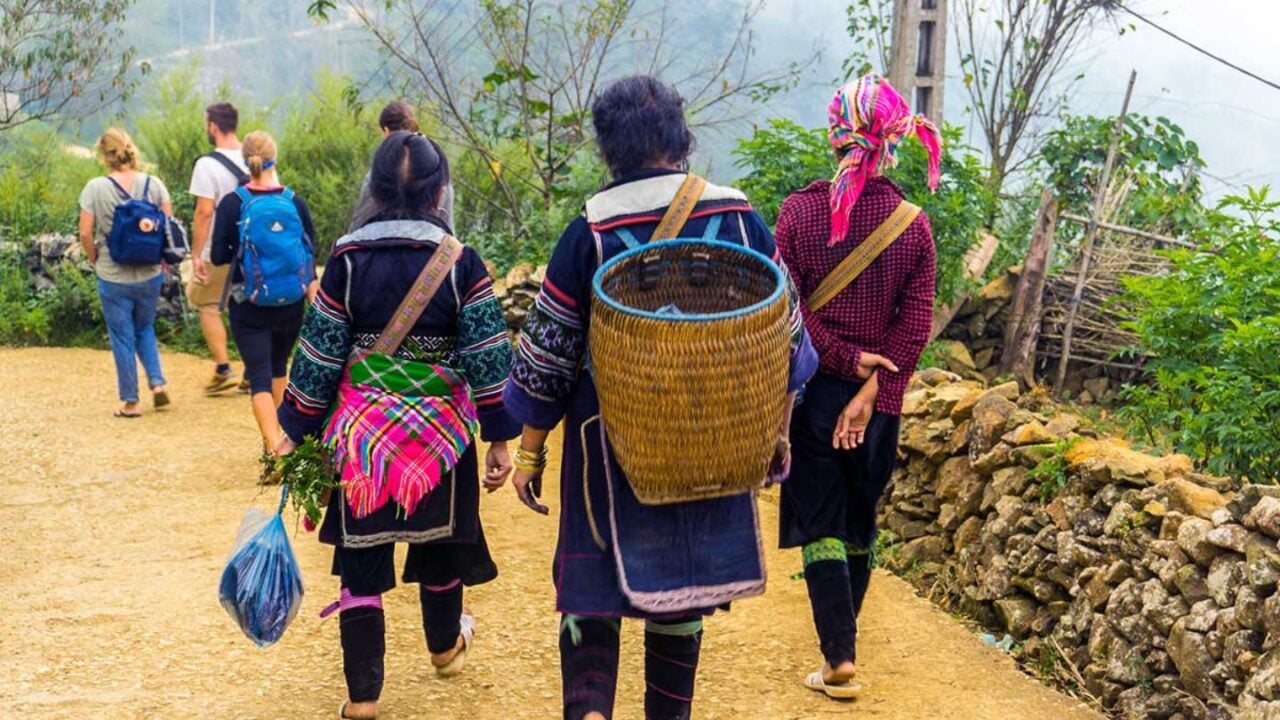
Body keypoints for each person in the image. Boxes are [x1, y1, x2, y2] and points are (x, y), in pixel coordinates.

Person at [503, 75, 817, 720]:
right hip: (715, 437)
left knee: (592, 595)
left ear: (608, 147)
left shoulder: (589, 231)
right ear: (681, 137)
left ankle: (591, 712)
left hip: (609, 443)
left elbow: (548, 362)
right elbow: (787, 345)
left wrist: (530, 453)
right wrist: (775, 434)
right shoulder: (739, 219)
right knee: (682, 590)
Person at [276, 131, 518, 720]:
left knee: (361, 563)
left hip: (361, 439)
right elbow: (487, 357)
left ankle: (363, 699)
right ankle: (444, 648)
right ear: (439, 192)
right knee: (440, 547)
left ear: (376, 189)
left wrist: (294, 429)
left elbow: (319, 357)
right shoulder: (459, 262)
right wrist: (499, 438)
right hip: (441, 439)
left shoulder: (347, 259)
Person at [774, 74, 940, 699]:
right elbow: (915, 323)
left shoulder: (799, 212)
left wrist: (843, 360)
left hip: (814, 392)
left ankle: (839, 658)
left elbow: (788, 308)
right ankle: (843, 649)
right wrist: (873, 392)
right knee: (858, 520)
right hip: (880, 403)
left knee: (821, 522)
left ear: (834, 134)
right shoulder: (914, 226)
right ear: (892, 140)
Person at [209, 131, 316, 451]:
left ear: (246, 161)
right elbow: (309, 250)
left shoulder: (233, 203)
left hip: (249, 303)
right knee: (279, 369)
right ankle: (287, 444)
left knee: (259, 378)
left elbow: (218, 256)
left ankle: (273, 449)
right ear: (274, 159)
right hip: (291, 302)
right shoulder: (295, 201)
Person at [78, 128, 172, 418]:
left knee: (122, 336)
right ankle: (157, 383)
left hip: (113, 274)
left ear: (103, 155)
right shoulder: (154, 184)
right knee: (145, 328)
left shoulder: (95, 188)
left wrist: (94, 258)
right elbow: (169, 227)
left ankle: (131, 401)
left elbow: (85, 232)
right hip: (149, 273)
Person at [188, 101, 249, 395]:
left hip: (219, 247)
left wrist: (196, 254)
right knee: (247, 306)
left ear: (213, 126)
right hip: (254, 247)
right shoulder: (256, 155)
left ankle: (224, 368)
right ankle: (253, 371)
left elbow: (204, 212)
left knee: (207, 304)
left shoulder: (207, 164)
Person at [349, 100, 455, 231]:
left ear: (385, 131)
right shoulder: (435, 167)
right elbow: (448, 225)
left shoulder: (379, 172)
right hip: (431, 241)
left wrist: (350, 240)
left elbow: (360, 220)